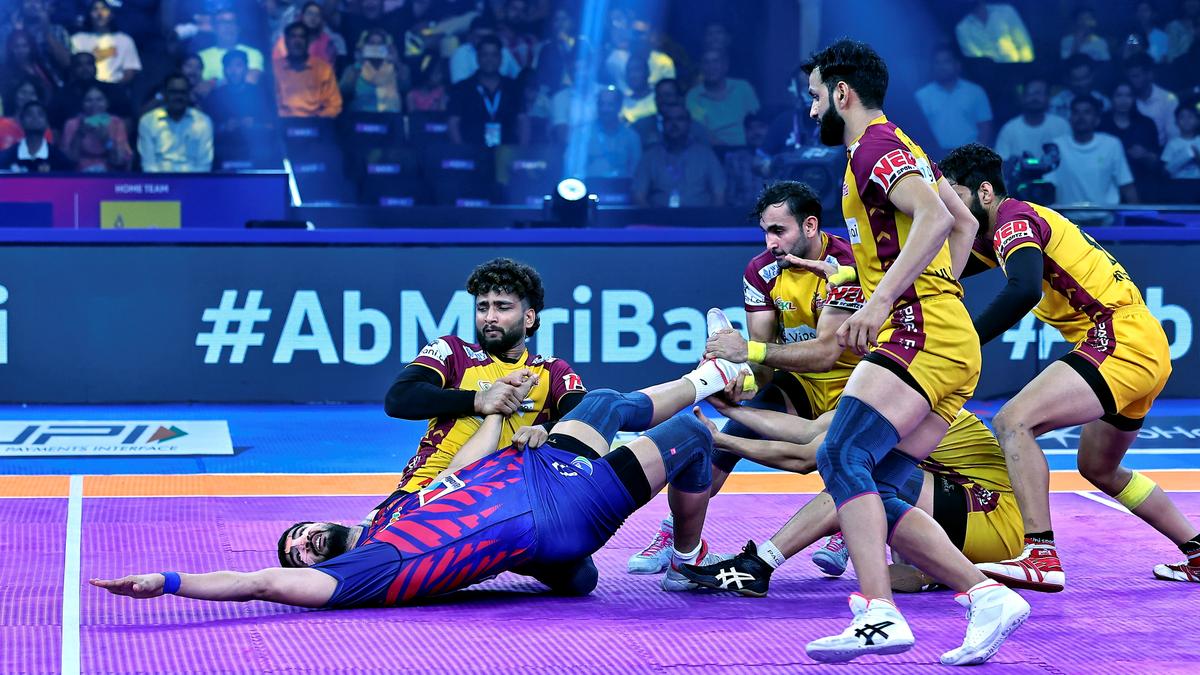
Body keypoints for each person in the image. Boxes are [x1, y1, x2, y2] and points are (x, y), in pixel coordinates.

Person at [92, 357, 757, 609]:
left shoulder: (395, 510)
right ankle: (684, 557)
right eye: (297, 552)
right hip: (564, 512)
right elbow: (259, 583)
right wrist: (169, 581)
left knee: (604, 402)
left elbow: (465, 471)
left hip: (533, 470)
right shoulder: (361, 571)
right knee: (693, 437)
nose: (301, 544)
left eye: (299, 533)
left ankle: (716, 374)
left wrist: (498, 414)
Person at [799, 38, 1027, 665]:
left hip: (918, 330)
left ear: (841, 93)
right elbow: (965, 222)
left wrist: (882, 303)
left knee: (841, 452)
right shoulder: (905, 145)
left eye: (815, 96)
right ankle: (986, 596)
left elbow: (934, 218)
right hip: (945, 333)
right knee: (874, 482)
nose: (812, 108)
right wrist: (942, 288)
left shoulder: (874, 146)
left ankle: (877, 611)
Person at [939, 142, 1200, 589]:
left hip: (1119, 337)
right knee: (1099, 467)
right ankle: (1197, 550)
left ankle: (1040, 554)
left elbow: (1024, 290)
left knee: (1013, 422)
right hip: (1141, 343)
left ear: (984, 192)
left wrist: (967, 342)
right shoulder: (999, 230)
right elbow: (937, 270)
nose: (950, 209)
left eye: (955, 197)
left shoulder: (1013, 219)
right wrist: (857, 275)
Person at [627, 181, 861, 575]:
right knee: (730, 434)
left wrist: (746, 352)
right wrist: (741, 383)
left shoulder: (848, 265)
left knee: (851, 454)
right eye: (766, 232)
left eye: (779, 231)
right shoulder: (761, 271)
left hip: (860, 381)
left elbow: (825, 355)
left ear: (810, 225)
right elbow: (765, 365)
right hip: (801, 383)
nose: (771, 242)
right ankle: (676, 534)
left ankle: (844, 524)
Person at [681, 402, 1023, 597]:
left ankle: (759, 564)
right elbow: (807, 431)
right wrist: (730, 409)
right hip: (961, 514)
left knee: (853, 474)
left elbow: (804, 458)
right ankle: (941, 573)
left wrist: (723, 441)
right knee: (865, 478)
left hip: (991, 516)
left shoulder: (905, 404)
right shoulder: (890, 393)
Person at [383, 258, 586, 498]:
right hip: (427, 486)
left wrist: (547, 429)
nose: (489, 317)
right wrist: (479, 400)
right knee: (367, 525)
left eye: (502, 307)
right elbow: (398, 398)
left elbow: (589, 417)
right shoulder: (453, 352)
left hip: (505, 497)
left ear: (529, 318)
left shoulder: (551, 371)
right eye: (482, 308)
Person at [1046, 95, 1138, 209]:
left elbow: (1126, 185)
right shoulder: (1057, 146)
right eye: (1076, 112)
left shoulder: (1111, 144)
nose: (1081, 117)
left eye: (1087, 112)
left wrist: (1138, 216)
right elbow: (1048, 187)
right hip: (1066, 218)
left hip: (1105, 217)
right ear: (1070, 118)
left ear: (1097, 119)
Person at [632, 104, 724, 207]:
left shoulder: (706, 155)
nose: (674, 124)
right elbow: (638, 196)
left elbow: (719, 195)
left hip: (698, 216)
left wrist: (711, 217)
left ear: (689, 123)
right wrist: (651, 216)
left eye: (680, 119)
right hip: (660, 216)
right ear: (662, 125)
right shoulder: (650, 157)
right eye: (668, 120)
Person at [447, 34, 526, 147]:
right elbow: (453, 122)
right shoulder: (462, 88)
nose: (490, 60)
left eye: (494, 55)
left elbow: (522, 121)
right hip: (472, 151)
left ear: (501, 58)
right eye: (485, 55)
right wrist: (461, 151)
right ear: (477, 58)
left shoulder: (514, 87)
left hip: (507, 151)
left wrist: (522, 151)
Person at [914, 45, 992, 154]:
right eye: (937, 62)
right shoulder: (921, 96)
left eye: (946, 61)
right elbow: (917, 131)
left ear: (957, 65)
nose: (942, 67)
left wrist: (979, 154)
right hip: (934, 155)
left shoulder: (975, 91)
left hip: (969, 154)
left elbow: (985, 126)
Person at [136, 72, 213, 172]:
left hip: (193, 179)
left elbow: (204, 164)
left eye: (182, 92)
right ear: (164, 93)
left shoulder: (203, 121)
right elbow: (148, 165)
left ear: (188, 94)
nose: (178, 97)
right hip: (159, 179)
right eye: (173, 92)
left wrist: (192, 181)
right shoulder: (148, 121)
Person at [684, 47, 760, 147]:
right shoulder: (694, 96)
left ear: (725, 66)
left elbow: (756, 122)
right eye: (706, 62)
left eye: (715, 61)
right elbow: (700, 133)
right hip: (714, 150)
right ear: (701, 67)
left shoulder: (743, 87)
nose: (711, 67)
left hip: (748, 147)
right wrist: (728, 150)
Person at [273, 21, 342, 118]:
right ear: (286, 41)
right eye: (293, 37)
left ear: (308, 41)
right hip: (283, 121)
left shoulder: (323, 69)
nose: (297, 41)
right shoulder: (274, 68)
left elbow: (334, 105)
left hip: (315, 122)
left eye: (302, 37)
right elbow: (269, 103)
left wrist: (318, 120)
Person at [994, 76, 1069, 163]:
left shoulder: (1061, 125)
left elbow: (1070, 158)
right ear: (1022, 97)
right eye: (1030, 93)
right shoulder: (1009, 129)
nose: (1035, 98)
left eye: (1039, 93)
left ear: (1048, 97)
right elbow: (1001, 164)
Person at [61, 84, 131, 171]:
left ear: (107, 103)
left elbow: (118, 160)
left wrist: (106, 140)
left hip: (109, 173)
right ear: (82, 104)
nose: (94, 105)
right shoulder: (72, 124)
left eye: (99, 100)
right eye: (88, 100)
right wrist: (79, 134)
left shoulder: (116, 123)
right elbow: (69, 160)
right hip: (80, 173)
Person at [70, 0, 141, 85]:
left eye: (104, 9)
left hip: (115, 87)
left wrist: (115, 89)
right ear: (89, 14)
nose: (99, 13)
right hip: (85, 87)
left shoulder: (125, 40)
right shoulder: (77, 39)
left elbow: (130, 71)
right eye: (95, 9)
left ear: (112, 14)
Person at [339, 29, 404, 113]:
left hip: (391, 115)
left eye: (380, 44)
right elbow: (344, 90)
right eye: (372, 44)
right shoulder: (354, 68)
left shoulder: (394, 67)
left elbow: (405, 86)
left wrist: (397, 63)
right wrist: (358, 64)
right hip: (363, 116)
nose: (376, 47)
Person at [197, 9, 265, 85]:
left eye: (232, 22)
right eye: (223, 22)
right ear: (214, 28)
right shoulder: (200, 57)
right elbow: (199, 88)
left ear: (238, 28)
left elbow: (250, 80)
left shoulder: (252, 53)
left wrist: (212, 83)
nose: (228, 27)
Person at [0, 99, 69, 171]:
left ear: (47, 123)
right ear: (21, 122)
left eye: (40, 114)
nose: (35, 118)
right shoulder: (5, 158)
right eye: (29, 114)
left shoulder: (60, 161)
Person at [954, 1, 1034, 63]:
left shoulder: (1006, 11)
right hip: (991, 74)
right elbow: (976, 59)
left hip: (1018, 66)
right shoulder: (962, 28)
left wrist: (1026, 66)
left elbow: (1023, 43)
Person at [1162, 103, 1200, 178]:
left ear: (1198, 121)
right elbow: (1165, 171)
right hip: (1178, 182)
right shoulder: (1172, 144)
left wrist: (1197, 157)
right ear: (1176, 122)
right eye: (1182, 117)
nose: (1186, 120)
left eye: (1190, 117)